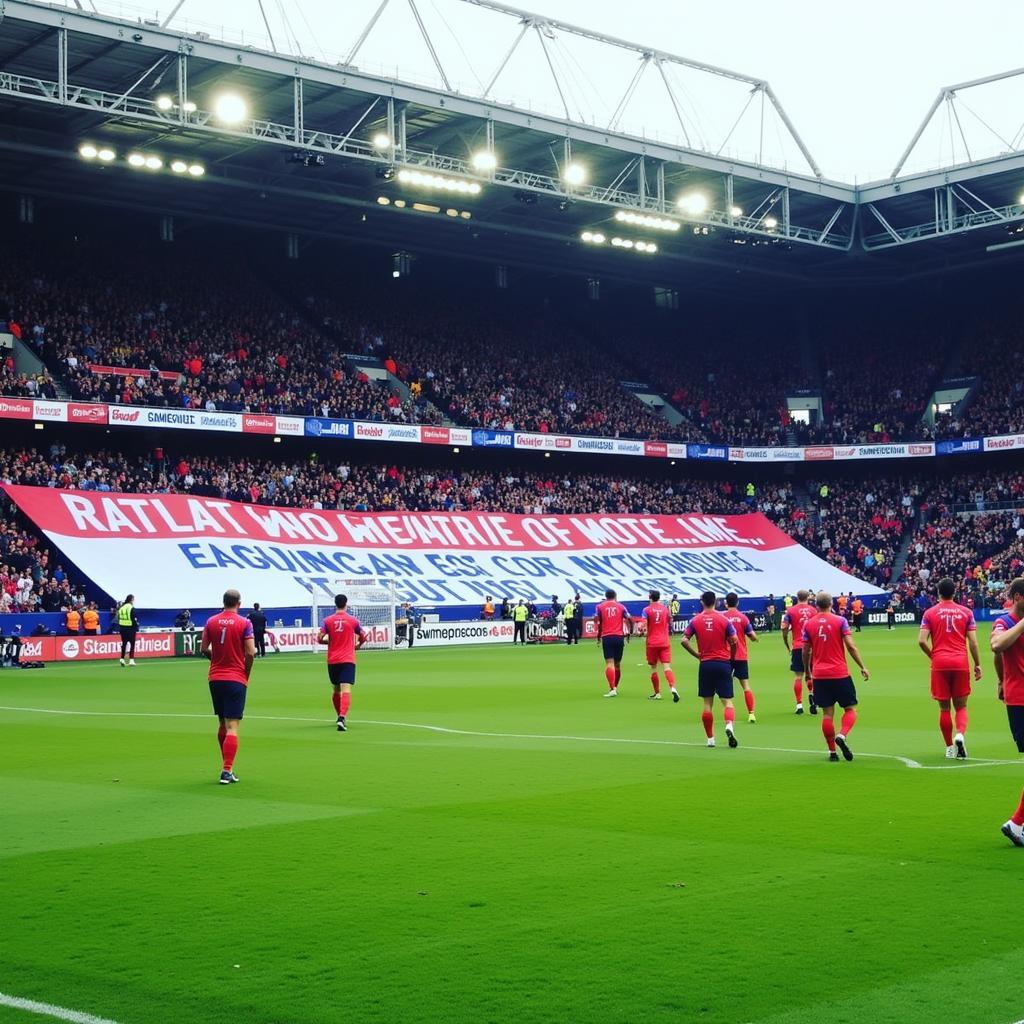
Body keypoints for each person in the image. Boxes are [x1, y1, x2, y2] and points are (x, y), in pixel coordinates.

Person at [801, 592, 869, 762]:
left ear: (816, 605)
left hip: (820, 674)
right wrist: (862, 666)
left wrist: (807, 672)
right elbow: (851, 646)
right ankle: (842, 735)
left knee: (827, 714)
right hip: (840, 673)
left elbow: (805, 651)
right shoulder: (840, 621)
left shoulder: (809, 624)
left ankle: (832, 752)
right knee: (850, 708)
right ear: (831, 604)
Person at [917, 577, 981, 758]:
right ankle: (959, 735)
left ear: (938, 593)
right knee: (961, 707)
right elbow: (974, 643)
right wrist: (977, 664)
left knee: (944, 709)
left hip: (940, 663)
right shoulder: (966, 612)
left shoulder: (929, 613)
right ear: (955, 592)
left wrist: (933, 656)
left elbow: (921, 640)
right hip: (960, 662)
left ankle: (949, 748)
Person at [200, 589, 255, 784]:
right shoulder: (244, 623)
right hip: (235, 678)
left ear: (223, 602)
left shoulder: (211, 621)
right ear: (239, 603)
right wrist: (245, 672)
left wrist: (216, 660)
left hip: (215, 678)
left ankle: (226, 766)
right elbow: (250, 653)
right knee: (233, 726)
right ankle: (227, 769)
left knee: (222, 723)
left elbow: (203, 648)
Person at [990, 578, 1024, 845]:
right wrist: (1002, 681)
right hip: (1020, 700)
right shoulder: (1005, 622)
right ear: (1017, 597)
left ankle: (1017, 822)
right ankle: (1016, 822)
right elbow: (997, 647)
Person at [681, 591, 739, 748]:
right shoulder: (724, 620)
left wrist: (697, 655)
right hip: (722, 663)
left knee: (707, 703)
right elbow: (734, 641)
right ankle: (729, 726)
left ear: (702, 602)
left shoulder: (696, 620)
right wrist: (731, 658)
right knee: (727, 701)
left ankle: (710, 739)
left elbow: (684, 640)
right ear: (716, 602)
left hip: (706, 664)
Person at [318, 593, 365, 733]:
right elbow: (363, 636)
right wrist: (357, 645)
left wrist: (328, 641)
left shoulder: (327, 621)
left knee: (336, 690)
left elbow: (319, 638)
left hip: (333, 660)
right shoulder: (353, 621)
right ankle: (342, 717)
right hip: (347, 659)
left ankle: (339, 716)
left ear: (335, 603)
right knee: (346, 689)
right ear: (346, 604)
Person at [723, 592, 758, 723]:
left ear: (726, 603)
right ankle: (751, 714)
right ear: (737, 602)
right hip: (741, 656)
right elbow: (752, 635)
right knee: (746, 686)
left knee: (725, 686)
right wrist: (756, 639)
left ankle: (729, 715)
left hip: (725, 656)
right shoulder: (743, 618)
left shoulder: (722, 617)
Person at [782, 589, 817, 714]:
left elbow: (784, 628)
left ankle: (799, 705)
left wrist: (786, 643)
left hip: (797, 646)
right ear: (808, 597)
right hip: (812, 647)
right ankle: (812, 695)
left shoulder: (790, 611)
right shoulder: (813, 610)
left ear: (796, 597)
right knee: (811, 674)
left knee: (798, 676)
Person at [642, 589, 678, 702]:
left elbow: (643, 626)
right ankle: (672, 687)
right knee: (667, 666)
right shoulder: (665, 609)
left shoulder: (646, 610)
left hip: (652, 642)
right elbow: (670, 621)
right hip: (665, 642)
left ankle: (657, 693)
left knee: (653, 668)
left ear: (650, 597)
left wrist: (642, 632)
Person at [594, 588, 632, 697]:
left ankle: (612, 688)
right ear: (615, 596)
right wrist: (630, 632)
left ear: (606, 596)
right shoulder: (621, 606)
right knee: (617, 664)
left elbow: (598, 622)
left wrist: (598, 636)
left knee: (609, 663)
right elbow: (629, 618)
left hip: (607, 637)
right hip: (619, 637)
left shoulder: (600, 607)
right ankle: (615, 687)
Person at [117, 593, 139, 666]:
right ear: (131, 600)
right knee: (132, 644)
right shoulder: (131, 608)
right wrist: (136, 627)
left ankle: (122, 659)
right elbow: (134, 619)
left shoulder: (121, 608)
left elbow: (118, 618)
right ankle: (131, 660)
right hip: (130, 628)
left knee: (124, 644)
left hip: (122, 628)